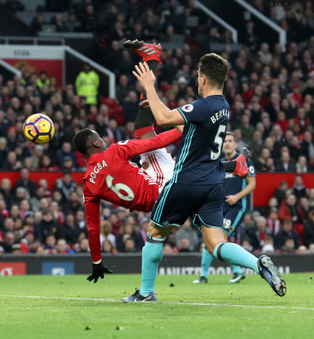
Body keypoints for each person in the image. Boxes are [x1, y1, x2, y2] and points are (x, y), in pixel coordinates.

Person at [73, 43, 248, 285]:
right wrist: (186, 128)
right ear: (95, 143)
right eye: (99, 137)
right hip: (161, 185)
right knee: (146, 134)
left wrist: (96, 262)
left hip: (153, 196)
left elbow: (93, 228)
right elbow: (153, 141)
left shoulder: (87, 186)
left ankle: (146, 292)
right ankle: (152, 58)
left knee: (156, 141)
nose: (103, 138)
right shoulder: (114, 152)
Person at [124, 49, 285, 302]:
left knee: (154, 230)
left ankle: (145, 293)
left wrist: (149, 86)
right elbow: (184, 123)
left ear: (203, 79)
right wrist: (157, 103)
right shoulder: (223, 106)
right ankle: (259, 264)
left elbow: (166, 119)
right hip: (212, 185)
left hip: (186, 180)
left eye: (198, 75)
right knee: (215, 244)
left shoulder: (203, 105)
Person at [193, 131, 256, 284]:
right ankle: (208, 275)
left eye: (230, 141)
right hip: (218, 207)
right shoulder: (219, 162)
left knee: (222, 237)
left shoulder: (242, 161)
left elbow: (253, 184)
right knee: (210, 237)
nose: (227, 143)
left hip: (236, 207)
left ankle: (232, 272)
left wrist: (236, 197)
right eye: (224, 141)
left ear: (236, 144)